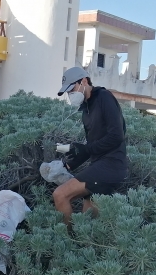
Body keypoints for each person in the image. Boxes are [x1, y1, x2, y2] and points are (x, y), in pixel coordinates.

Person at [53, 67, 129, 227]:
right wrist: (70, 163)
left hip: (111, 165)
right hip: (100, 165)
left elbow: (116, 136)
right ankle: (81, 246)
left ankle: (68, 242)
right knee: (88, 224)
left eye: (71, 89)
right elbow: (93, 146)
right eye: (68, 92)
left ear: (84, 81)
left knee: (60, 195)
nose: (70, 94)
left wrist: (86, 149)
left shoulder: (104, 97)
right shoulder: (86, 109)